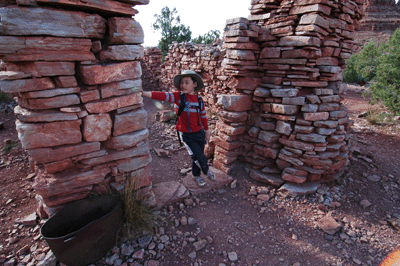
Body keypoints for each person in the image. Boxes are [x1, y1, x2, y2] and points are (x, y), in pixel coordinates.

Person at [142, 70, 215, 186]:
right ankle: (206, 170)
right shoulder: (178, 97)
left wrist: (207, 131)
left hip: (199, 133)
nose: (183, 85)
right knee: (199, 156)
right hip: (186, 135)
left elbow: (203, 117)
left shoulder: (199, 101)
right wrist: (145, 93)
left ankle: (196, 176)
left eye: (187, 82)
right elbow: (162, 95)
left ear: (194, 84)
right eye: (182, 83)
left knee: (197, 156)